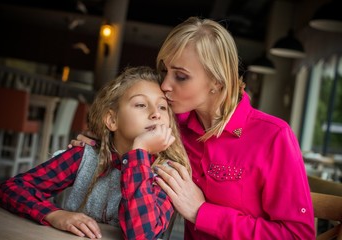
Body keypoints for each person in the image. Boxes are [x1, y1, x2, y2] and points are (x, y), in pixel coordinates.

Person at [70, 17, 315, 239]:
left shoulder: (273, 136)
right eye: (164, 71)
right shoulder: (171, 128)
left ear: (217, 81)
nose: (165, 84)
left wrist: (202, 212)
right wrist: (100, 144)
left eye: (181, 76)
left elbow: (298, 236)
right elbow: (127, 145)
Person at [0, 66, 192, 240]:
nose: (155, 114)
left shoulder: (166, 175)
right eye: (140, 104)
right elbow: (12, 188)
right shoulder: (84, 157)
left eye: (163, 107)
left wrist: (139, 153)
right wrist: (53, 215)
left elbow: (141, 235)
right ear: (112, 120)